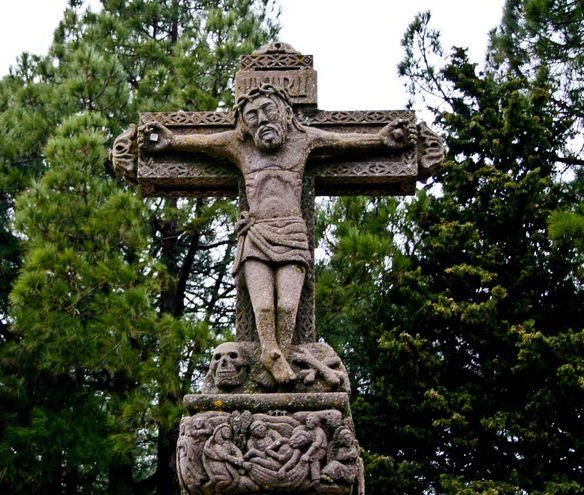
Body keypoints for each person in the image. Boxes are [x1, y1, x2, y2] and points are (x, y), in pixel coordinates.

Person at [139, 84, 414, 383]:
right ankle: (270, 350)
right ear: (244, 123)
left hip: (293, 233)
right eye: (252, 115)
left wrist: (379, 139)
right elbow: (203, 143)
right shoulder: (238, 145)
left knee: (286, 306)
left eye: (268, 110)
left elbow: (341, 142)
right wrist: (170, 141)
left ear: (284, 112)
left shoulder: (303, 140)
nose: (262, 120)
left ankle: (275, 358)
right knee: (264, 305)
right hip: (256, 233)